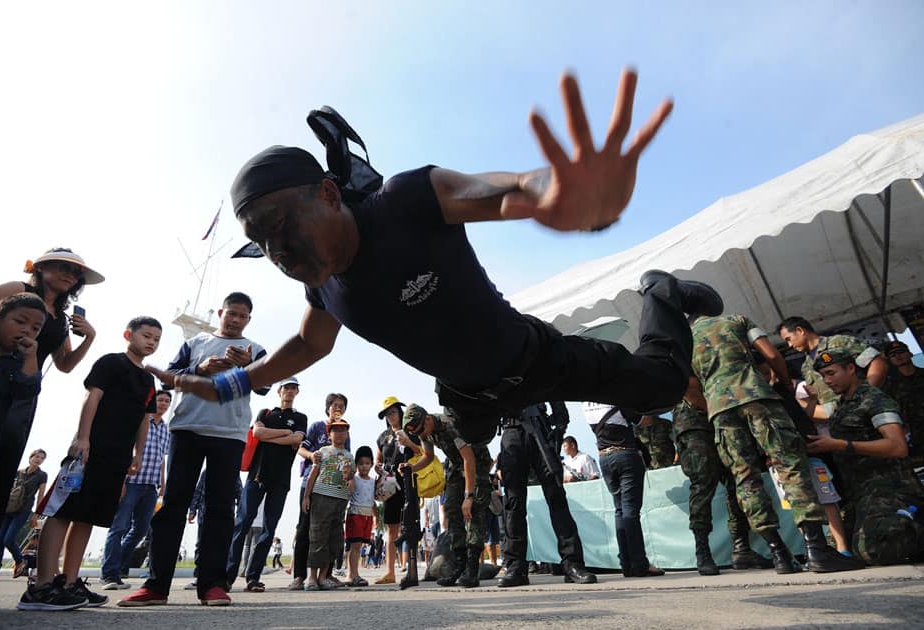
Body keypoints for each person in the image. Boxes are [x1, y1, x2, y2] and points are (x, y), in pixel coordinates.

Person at [165, 70, 724, 509]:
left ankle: (662, 294)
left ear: (330, 195)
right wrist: (235, 383)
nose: (276, 251)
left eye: (281, 223)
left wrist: (564, 196)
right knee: (472, 438)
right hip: (463, 396)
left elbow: (508, 191)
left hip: (538, 359)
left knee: (663, 387)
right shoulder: (325, 294)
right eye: (260, 242)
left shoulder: (407, 201)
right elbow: (308, 346)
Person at [120, 293, 267, 608]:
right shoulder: (196, 342)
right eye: (231, 313)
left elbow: (265, 385)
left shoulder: (256, 349)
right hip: (187, 428)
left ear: (249, 320)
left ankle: (213, 584)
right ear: (220, 313)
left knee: (220, 509)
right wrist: (200, 368)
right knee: (173, 504)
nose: (236, 320)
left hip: (230, 434)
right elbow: (171, 379)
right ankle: (156, 585)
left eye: (242, 316)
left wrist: (249, 366)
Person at [691, 313, 863, 574]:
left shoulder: (681, 340)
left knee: (745, 479)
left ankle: (779, 554)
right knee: (789, 465)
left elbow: (687, 386)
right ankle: (816, 550)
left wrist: (715, 404)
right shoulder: (735, 320)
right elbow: (771, 354)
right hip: (756, 396)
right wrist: (784, 385)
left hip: (720, 411)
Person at [20, 316, 161, 611]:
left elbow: (144, 421)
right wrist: (83, 438)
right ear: (128, 334)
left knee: (89, 516)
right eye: (146, 335)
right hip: (89, 451)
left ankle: (68, 583)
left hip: (117, 458)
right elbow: (92, 398)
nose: (151, 342)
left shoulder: (148, 380)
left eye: (156, 339)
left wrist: (138, 455)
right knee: (63, 511)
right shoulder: (110, 363)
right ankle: (41, 585)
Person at [0, 248, 102, 566]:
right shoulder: (17, 290)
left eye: (76, 274)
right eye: (63, 267)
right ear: (42, 267)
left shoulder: (60, 318)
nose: (70, 276)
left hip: (22, 399)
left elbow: (64, 365)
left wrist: (88, 338)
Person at [807, 348, 924, 565]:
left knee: (875, 548)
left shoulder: (874, 399)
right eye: (823, 376)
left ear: (851, 369)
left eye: (832, 373)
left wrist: (841, 445)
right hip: (859, 493)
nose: (827, 380)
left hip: (890, 488)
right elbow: (814, 415)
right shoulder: (842, 405)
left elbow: (897, 446)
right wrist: (811, 401)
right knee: (842, 549)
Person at [671, 378, 772, 575]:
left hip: (722, 423)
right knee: (703, 485)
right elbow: (689, 388)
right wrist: (719, 408)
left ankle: (741, 548)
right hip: (696, 425)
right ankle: (703, 552)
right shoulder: (688, 350)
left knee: (738, 483)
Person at [497, 403, 596, 587]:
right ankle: (515, 567)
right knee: (513, 504)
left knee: (557, 498)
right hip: (511, 429)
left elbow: (554, 388)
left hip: (540, 428)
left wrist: (559, 426)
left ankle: (572, 564)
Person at [226, 376, 306, 592]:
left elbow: (296, 440)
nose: (289, 391)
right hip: (257, 476)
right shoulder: (266, 413)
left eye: (293, 388)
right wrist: (284, 434)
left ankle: (253, 577)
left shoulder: (300, 418)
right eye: (286, 388)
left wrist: (277, 437)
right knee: (242, 524)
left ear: (297, 392)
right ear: (279, 391)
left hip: (280, 480)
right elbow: (257, 432)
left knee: (268, 530)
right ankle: (227, 576)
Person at [398, 404, 492, 588]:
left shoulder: (449, 425)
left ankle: (472, 569)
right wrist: (412, 467)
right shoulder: (422, 430)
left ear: (427, 418)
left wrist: (469, 495)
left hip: (476, 463)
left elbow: (469, 458)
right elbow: (428, 455)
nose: (421, 434)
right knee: (450, 508)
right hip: (456, 465)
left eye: (421, 430)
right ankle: (460, 564)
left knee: (474, 510)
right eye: (417, 433)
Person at [100, 390, 172, 590]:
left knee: (140, 530)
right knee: (119, 527)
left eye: (167, 401)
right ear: (152, 402)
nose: (163, 404)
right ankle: (109, 574)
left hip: (151, 485)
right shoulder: (139, 422)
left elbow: (162, 459)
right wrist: (121, 480)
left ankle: (119, 567)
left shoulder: (166, 430)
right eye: (160, 400)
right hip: (131, 482)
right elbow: (126, 449)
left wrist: (162, 483)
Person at [585, 402, 665, 577]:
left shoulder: (586, 404)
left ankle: (626, 564)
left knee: (620, 510)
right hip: (625, 455)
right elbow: (644, 421)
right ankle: (639, 563)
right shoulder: (616, 397)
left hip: (604, 458)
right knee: (630, 511)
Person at [0, 294, 44, 490]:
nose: (26, 330)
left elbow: (28, 390)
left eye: (35, 328)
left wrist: (31, 357)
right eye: (20, 321)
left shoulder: (20, 366)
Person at [287, 392, 350, 590]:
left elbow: (346, 460)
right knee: (305, 529)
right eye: (334, 404)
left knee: (331, 532)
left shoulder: (344, 431)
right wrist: (311, 455)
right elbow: (299, 448)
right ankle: (299, 576)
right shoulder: (316, 426)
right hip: (311, 483)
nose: (337, 408)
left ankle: (327, 574)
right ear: (328, 407)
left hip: (333, 490)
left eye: (341, 405)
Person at [778, 316, 886, 421]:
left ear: (800, 330)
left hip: (870, 413)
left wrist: (864, 397)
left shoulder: (838, 343)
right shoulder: (806, 367)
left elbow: (877, 362)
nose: (789, 345)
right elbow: (827, 407)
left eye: (789, 339)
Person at [302, 417, 353, 591]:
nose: (339, 434)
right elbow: (313, 474)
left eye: (343, 430)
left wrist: (349, 478)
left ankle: (324, 577)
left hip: (340, 499)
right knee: (317, 536)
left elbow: (350, 482)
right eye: (335, 430)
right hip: (321, 497)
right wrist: (306, 496)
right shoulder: (322, 451)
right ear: (329, 434)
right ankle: (311, 578)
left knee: (335, 538)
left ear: (347, 434)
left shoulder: (349, 456)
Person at [0, 449, 48, 582]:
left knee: (8, 539)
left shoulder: (41, 475)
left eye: (42, 458)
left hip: (23, 510)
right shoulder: (18, 473)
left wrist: (37, 514)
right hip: (8, 509)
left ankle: (20, 560)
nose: (38, 459)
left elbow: (41, 494)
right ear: (30, 457)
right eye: (36, 456)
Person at [374, 395, 416, 584]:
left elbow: (423, 452)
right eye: (387, 414)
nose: (391, 416)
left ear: (400, 411)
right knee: (391, 527)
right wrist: (377, 466)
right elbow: (378, 459)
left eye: (393, 411)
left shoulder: (411, 430)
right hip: (390, 484)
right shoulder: (383, 437)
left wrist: (408, 443)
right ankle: (390, 572)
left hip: (409, 480)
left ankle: (412, 569)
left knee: (411, 524)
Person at [883, 340, 924, 466]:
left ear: (910, 353)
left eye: (901, 352)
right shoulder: (889, 386)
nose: (897, 356)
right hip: (916, 434)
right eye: (893, 355)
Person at [344, 445, 375, 587]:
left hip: (367, 515)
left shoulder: (373, 481)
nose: (364, 467)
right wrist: (350, 476)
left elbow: (376, 498)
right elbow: (349, 491)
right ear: (356, 465)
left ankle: (352, 574)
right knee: (355, 546)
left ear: (372, 464)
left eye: (367, 463)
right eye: (361, 464)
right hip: (355, 514)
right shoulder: (354, 479)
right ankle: (353, 575)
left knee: (359, 545)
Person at [239, 502, 265, 577]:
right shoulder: (265, 495)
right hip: (259, 524)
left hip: (248, 523)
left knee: (246, 546)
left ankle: (244, 568)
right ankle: (248, 570)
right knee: (253, 548)